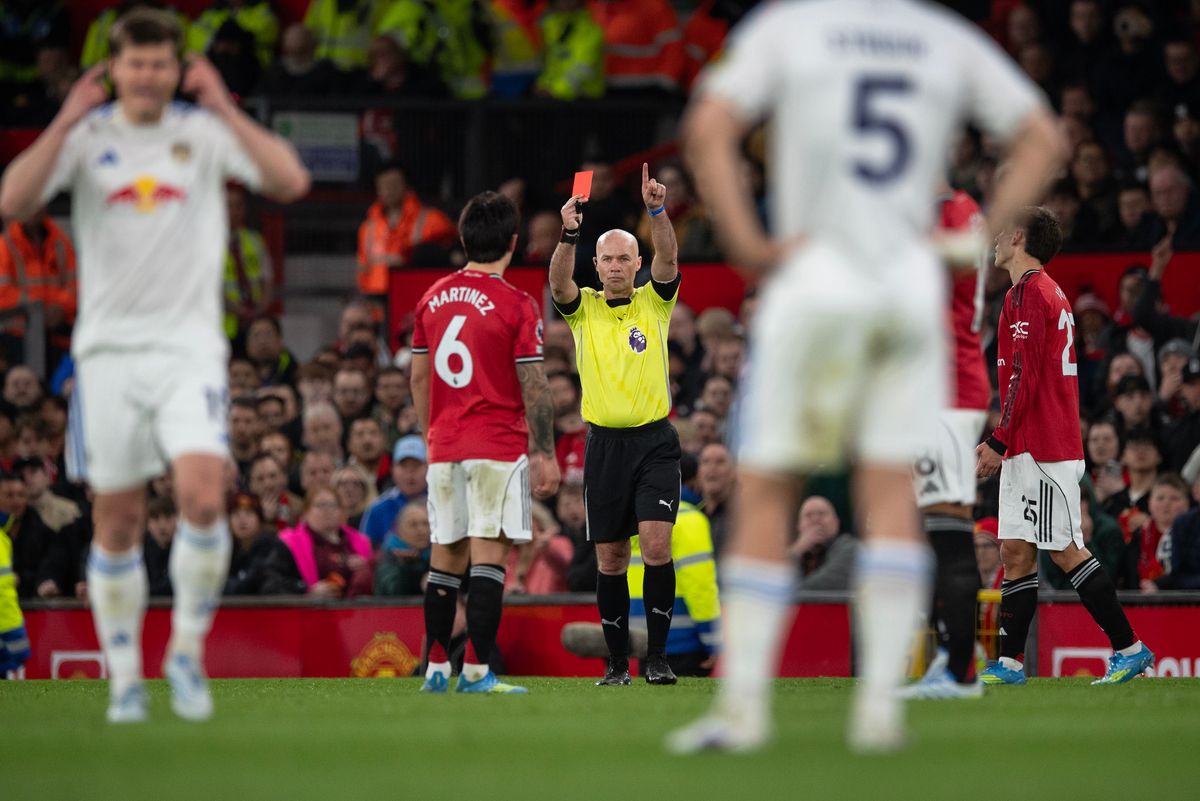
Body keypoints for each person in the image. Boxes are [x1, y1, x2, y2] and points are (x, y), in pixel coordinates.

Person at [669, 0, 1065, 754]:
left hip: (816, 279)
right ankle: (879, 714)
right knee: (889, 494)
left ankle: (742, 711)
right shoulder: (942, 36)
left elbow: (708, 127)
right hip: (905, 292)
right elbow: (1044, 135)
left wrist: (749, 243)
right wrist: (983, 235)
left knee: (767, 490)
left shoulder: (788, 26)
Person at [0, 8, 309, 722]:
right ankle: (125, 678)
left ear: (178, 69)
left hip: (188, 349)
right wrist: (65, 115)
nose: (146, 76)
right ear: (114, 68)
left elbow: (290, 180)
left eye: (159, 63)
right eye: (135, 63)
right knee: (118, 519)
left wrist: (223, 104)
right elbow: (13, 199)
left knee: (203, 497)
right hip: (107, 354)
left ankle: (186, 655)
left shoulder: (203, 132)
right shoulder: (87, 137)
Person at [976, 208, 1153, 688]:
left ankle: (1130, 649)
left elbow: (1026, 375)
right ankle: (1011, 664)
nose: (995, 239)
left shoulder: (1035, 292)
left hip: (1044, 445)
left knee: (1064, 550)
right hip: (1026, 445)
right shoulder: (1024, 293)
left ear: (1018, 236)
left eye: (1002, 231)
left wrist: (998, 438)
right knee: (1015, 550)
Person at [410, 190, 560, 694]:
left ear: (462, 238)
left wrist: (432, 435)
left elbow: (418, 378)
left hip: (445, 446)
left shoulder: (431, 297)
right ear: (514, 242)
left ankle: (435, 668)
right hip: (496, 446)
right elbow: (534, 385)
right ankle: (474, 671)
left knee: (444, 560)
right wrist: (545, 452)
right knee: (489, 560)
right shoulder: (517, 304)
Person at [550, 163, 681, 687]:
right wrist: (568, 233)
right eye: (607, 259)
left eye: (625, 257)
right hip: (604, 446)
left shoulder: (656, 302)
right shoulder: (582, 309)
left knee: (656, 546)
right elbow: (558, 281)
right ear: (597, 265)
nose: (616, 266)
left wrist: (657, 210)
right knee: (610, 558)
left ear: (637, 263)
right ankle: (616, 664)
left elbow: (669, 258)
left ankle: (659, 659)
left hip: (654, 444)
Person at [902, 188, 992, 700]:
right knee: (940, 530)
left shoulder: (947, 216)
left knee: (949, 531)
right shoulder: (960, 209)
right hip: (946, 386)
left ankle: (960, 671)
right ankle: (954, 659)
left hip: (946, 387)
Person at [355, 162, 456, 298]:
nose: (388, 190)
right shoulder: (368, 228)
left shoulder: (433, 220)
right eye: (383, 185)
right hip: (375, 299)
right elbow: (363, 268)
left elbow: (451, 257)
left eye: (393, 184)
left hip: (417, 296)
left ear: (406, 185)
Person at [280, 486, 374, 598]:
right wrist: (307, 591)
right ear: (306, 512)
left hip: (354, 605)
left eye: (332, 505)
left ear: (341, 512)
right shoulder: (288, 542)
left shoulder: (360, 542)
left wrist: (366, 567)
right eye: (320, 505)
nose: (327, 510)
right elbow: (280, 581)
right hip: (310, 605)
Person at [790, 496, 855, 591]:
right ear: (799, 526)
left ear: (836, 522)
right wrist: (796, 550)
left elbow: (823, 585)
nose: (815, 520)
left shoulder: (849, 548)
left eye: (822, 514)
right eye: (808, 515)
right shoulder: (791, 551)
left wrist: (784, 593)